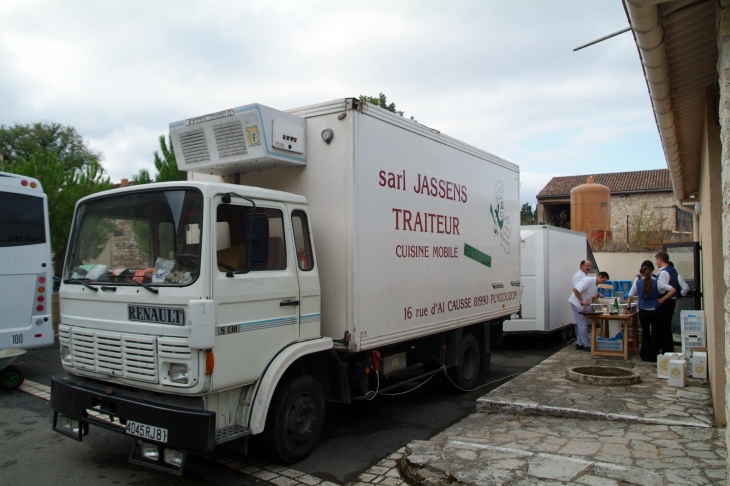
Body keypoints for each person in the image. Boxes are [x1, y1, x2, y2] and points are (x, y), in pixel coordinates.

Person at [625, 260, 676, 361]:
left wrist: (628, 308)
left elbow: (630, 295)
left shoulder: (638, 282)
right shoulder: (657, 282)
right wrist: (663, 298)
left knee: (645, 332)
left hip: (643, 309)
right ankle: (654, 354)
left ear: (641, 273)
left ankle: (645, 354)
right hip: (656, 309)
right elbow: (673, 289)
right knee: (655, 332)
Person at [569, 271, 610, 351]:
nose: (603, 282)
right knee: (583, 324)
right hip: (576, 303)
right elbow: (575, 289)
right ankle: (586, 345)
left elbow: (594, 297)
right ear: (599, 276)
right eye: (603, 280)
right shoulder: (588, 280)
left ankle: (580, 343)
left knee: (584, 324)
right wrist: (582, 300)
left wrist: (600, 306)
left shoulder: (595, 285)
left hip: (582, 304)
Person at [655, 251, 682, 353]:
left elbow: (662, 288)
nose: (656, 263)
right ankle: (668, 348)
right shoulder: (673, 270)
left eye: (656, 260)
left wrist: (663, 298)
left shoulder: (664, 272)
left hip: (666, 302)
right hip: (671, 301)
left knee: (664, 326)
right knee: (666, 326)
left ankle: (666, 349)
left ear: (660, 260)